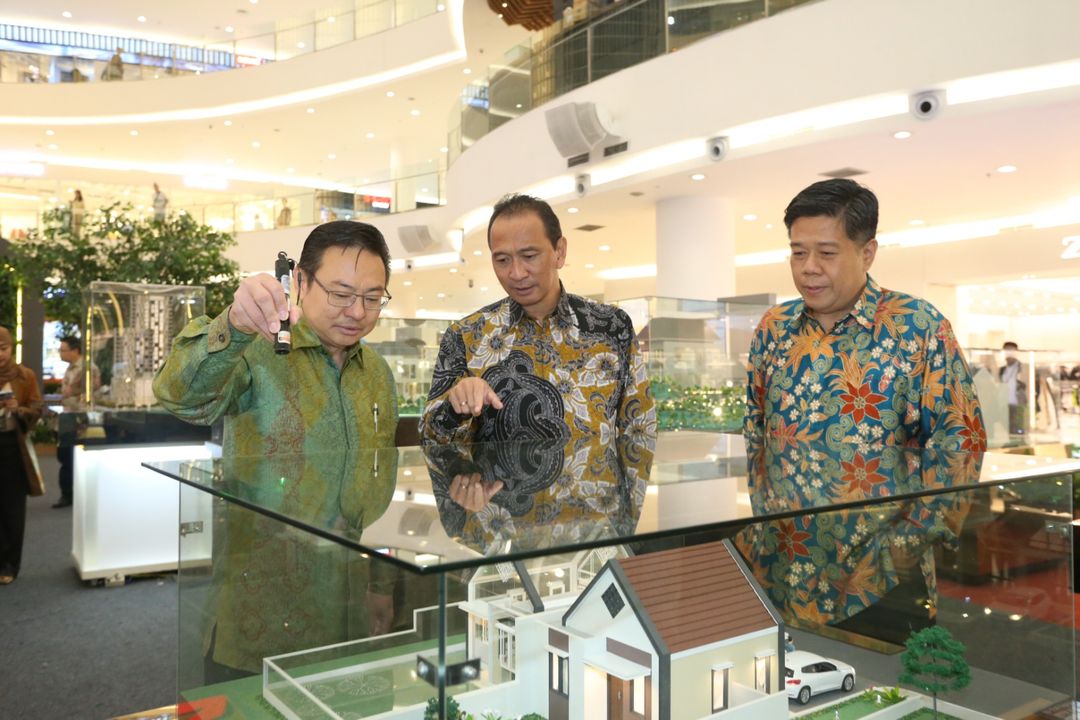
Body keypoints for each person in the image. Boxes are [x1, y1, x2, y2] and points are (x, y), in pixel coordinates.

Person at [743, 178, 986, 455]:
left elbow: (961, 449)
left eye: (826, 253)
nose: (808, 267)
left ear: (867, 254)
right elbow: (755, 436)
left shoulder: (919, 326)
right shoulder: (774, 326)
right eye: (798, 253)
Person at [418, 193, 655, 447]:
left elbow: (641, 431)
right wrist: (455, 407)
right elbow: (429, 438)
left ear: (559, 252)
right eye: (502, 260)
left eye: (529, 256)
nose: (516, 273)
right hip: (500, 487)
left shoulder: (611, 326)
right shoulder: (465, 336)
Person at [153, 220, 398, 457]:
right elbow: (180, 399)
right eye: (341, 294)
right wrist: (234, 324)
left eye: (372, 298)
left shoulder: (378, 371)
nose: (358, 312)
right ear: (301, 281)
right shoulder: (253, 353)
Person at [0, 327, 43, 585]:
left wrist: (18, 409)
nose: (0, 355)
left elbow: (37, 409)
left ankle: (10, 564)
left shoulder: (25, 376)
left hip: (12, 448)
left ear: (11, 348)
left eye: (3, 349)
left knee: (13, 510)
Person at [53, 335, 100, 508]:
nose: (60, 353)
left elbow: (91, 391)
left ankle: (75, 495)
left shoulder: (87, 369)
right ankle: (68, 494)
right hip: (67, 418)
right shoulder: (71, 368)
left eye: (63, 350)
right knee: (64, 457)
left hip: (80, 420)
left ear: (75, 350)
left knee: (74, 458)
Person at [999, 341, 1027, 435]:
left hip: (1018, 404)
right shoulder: (1002, 369)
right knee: (1006, 431)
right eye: (1007, 351)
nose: (1009, 353)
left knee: (1018, 431)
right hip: (1004, 404)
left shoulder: (1022, 367)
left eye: (1011, 351)